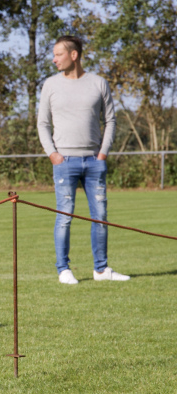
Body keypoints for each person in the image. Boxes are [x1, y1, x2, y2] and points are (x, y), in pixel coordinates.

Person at [37, 35, 129, 285]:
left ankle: (101, 270)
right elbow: (42, 123)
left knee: (100, 216)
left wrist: (103, 153)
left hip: (94, 161)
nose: (54, 59)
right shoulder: (50, 85)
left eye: (58, 54)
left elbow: (110, 120)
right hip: (64, 162)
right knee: (64, 216)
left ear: (74, 55)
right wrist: (53, 154)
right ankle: (63, 270)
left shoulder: (98, 83)